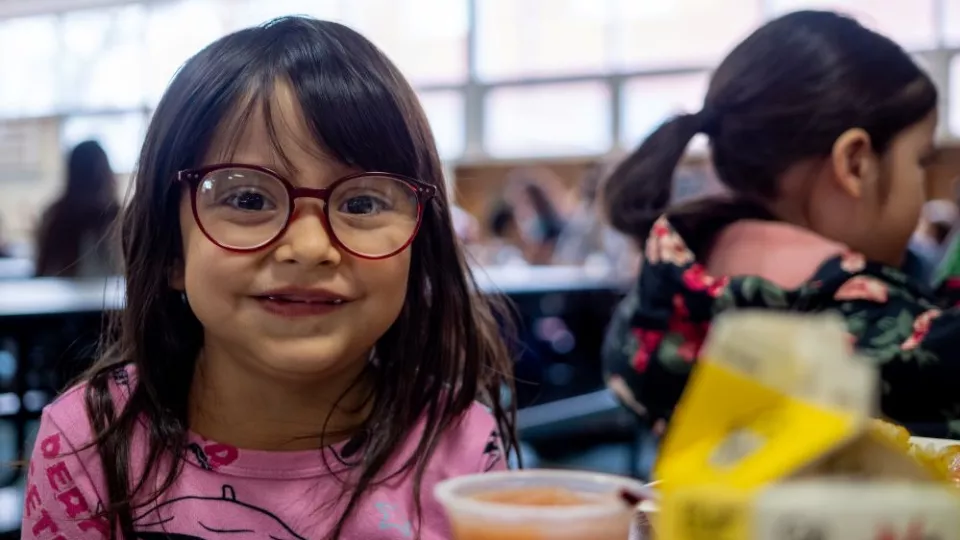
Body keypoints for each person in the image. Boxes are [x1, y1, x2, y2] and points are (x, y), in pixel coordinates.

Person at [23, 17, 515, 540]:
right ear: (172, 249)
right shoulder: (89, 443)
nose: (308, 248)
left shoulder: (459, 446)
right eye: (248, 198)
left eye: (364, 202)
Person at [602, 10, 960, 439]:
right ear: (856, 163)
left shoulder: (661, 290)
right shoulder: (885, 333)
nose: (924, 188)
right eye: (921, 161)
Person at [34, 140, 121, 277]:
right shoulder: (116, 218)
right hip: (108, 297)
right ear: (105, 173)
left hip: (55, 296)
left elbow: (41, 270)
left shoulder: (54, 216)